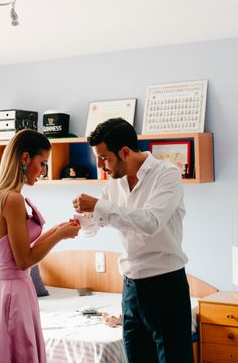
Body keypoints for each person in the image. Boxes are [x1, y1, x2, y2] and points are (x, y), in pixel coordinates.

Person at [73, 118, 193, 363]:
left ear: (125, 152)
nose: (100, 165)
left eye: (104, 158)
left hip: (166, 285)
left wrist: (100, 207)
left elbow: (150, 222)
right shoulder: (114, 183)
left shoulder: (167, 174)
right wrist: (82, 220)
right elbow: (95, 227)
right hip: (130, 288)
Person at [0, 129, 80, 363]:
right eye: (42, 163)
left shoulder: (2, 196)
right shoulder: (13, 199)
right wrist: (59, 237)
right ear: (25, 158)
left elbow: (17, 248)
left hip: (4, 290)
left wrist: (59, 230)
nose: (43, 171)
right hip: (12, 293)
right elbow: (24, 260)